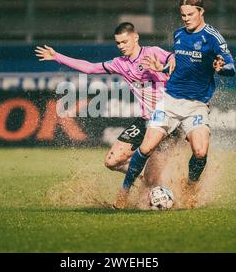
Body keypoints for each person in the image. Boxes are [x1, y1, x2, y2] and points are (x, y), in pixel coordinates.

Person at [113, 0, 236, 209]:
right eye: (183, 15)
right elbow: (178, 64)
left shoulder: (213, 37)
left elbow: (231, 67)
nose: (186, 19)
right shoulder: (179, 35)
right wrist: (162, 68)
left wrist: (221, 67)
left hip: (197, 105)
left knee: (200, 151)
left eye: (190, 14)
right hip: (170, 100)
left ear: (201, 12)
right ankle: (124, 191)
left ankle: (191, 187)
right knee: (146, 148)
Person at [35, 22, 175, 179]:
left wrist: (163, 67)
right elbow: (90, 68)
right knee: (111, 161)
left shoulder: (152, 52)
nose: (121, 46)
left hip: (167, 120)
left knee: (155, 178)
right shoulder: (119, 63)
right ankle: (140, 174)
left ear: (135, 38)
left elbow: (175, 59)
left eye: (124, 42)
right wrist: (57, 57)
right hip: (145, 121)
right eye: (118, 43)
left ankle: (164, 186)